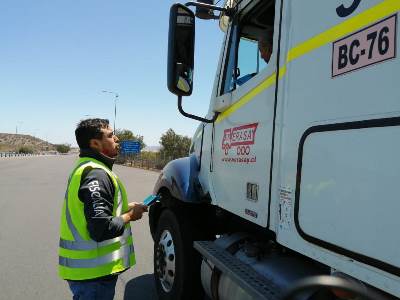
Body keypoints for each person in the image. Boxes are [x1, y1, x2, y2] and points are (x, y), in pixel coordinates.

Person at [58, 118, 148, 300]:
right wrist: (131, 215)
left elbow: (91, 211)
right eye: (110, 135)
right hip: (93, 276)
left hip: (88, 275)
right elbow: (101, 227)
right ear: (95, 143)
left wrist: (124, 208)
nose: (117, 138)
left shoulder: (86, 167)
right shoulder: (96, 174)